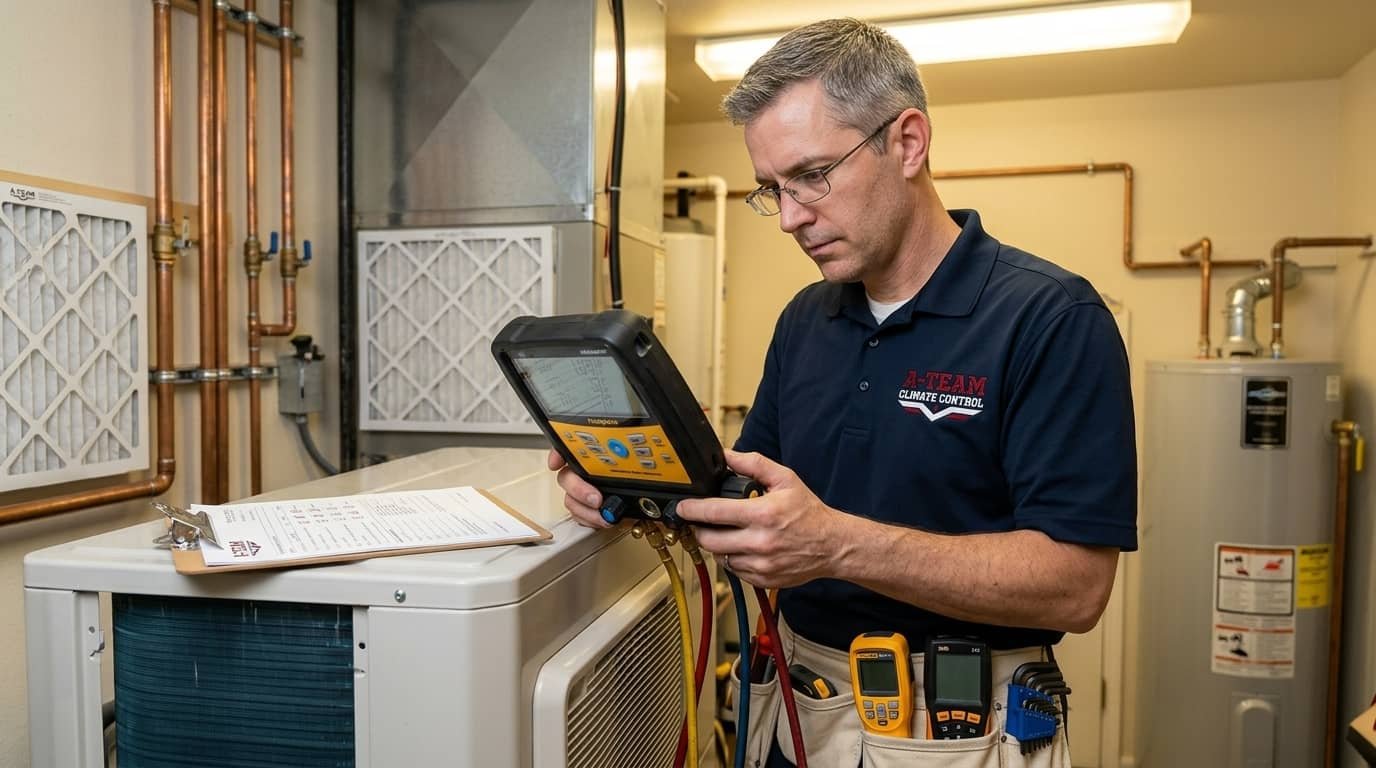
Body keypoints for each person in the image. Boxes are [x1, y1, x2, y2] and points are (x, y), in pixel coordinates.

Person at [550, 17, 1136, 766]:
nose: (791, 217)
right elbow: (746, 496)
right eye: (774, 189)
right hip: (798, 707)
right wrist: (630, 478)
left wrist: (837, 545)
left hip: (959, 723)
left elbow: (1076, 588)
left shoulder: (1050, 318)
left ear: (908, 142)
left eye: (813, 175)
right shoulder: (807, 319)